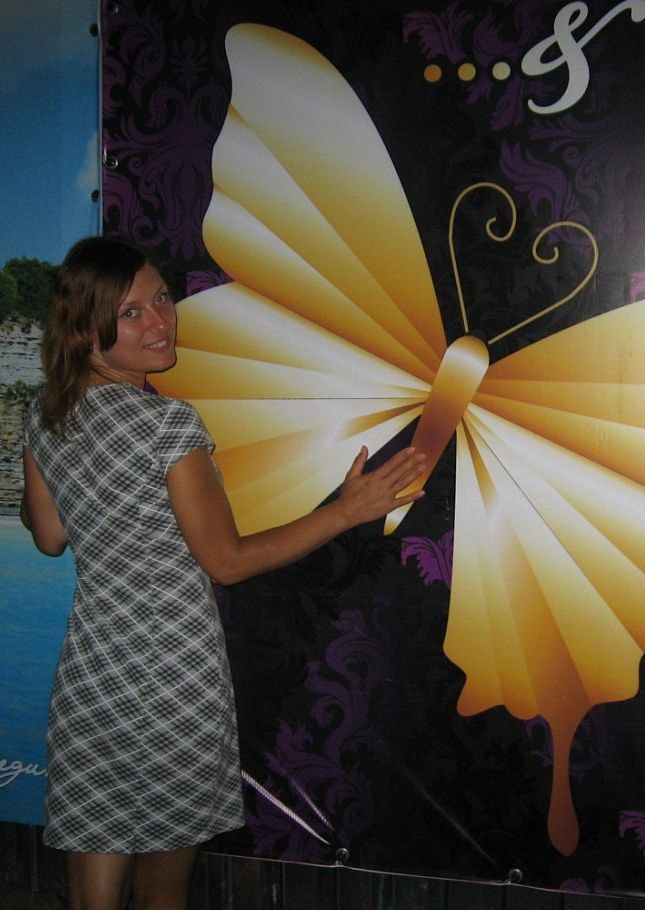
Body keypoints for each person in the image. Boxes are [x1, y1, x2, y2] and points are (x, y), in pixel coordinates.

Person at [20, 236, 425, 910]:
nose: (160, 322)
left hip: (94, 670)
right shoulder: (167, 425)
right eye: (130, 314)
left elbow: (50, 538)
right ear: (86, 330)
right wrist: (347, 511)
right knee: (162, 894)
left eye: (161, 299)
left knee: (92, 893)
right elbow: (227, 561)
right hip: (173, 675)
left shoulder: (45, 415)